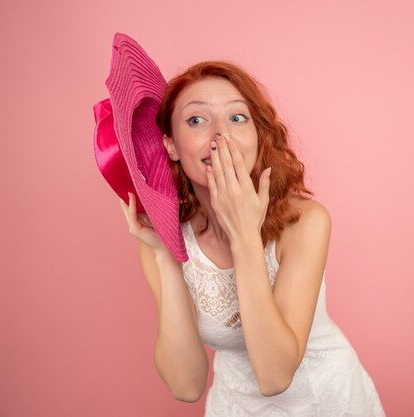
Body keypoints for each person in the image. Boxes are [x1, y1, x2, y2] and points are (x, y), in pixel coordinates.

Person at [118, 60, 386, 416]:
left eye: (237, 118)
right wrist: (167, 256)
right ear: (170, 145)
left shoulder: (305, 221)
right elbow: (187, 386)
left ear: (258, 137)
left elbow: (275, 376)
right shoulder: (160, 237)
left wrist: (244, 237)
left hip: (326, 402)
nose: (220, 136)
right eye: (196, 120)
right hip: (234, 407)